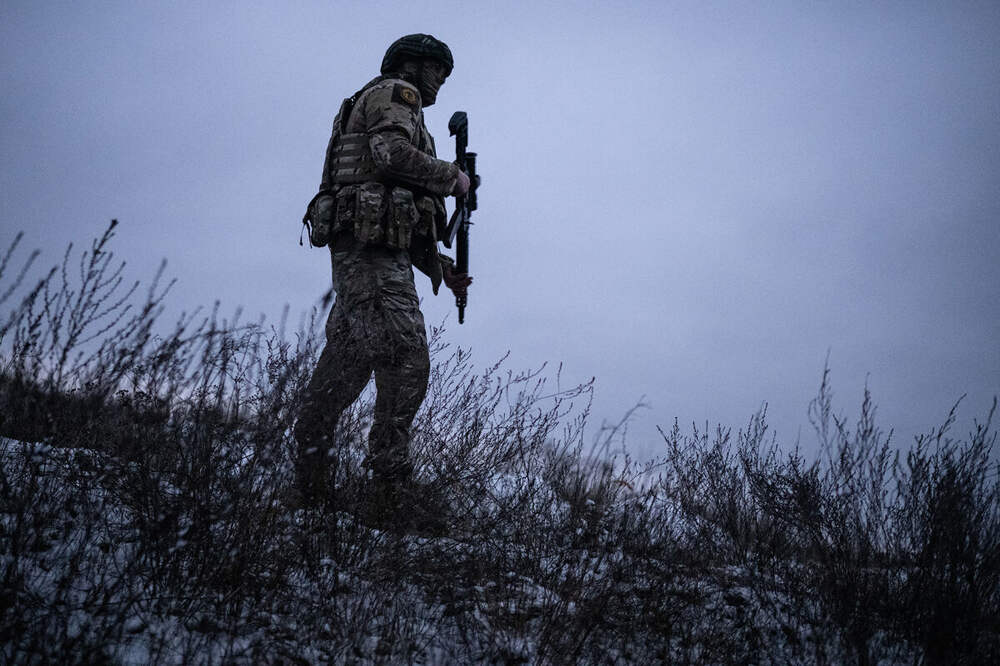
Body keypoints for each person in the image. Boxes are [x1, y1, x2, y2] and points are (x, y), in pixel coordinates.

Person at [294, 34, 472, 518]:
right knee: (406, 357)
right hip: (369, 258)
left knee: (346, 365)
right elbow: (390, 154)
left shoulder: (393, 103)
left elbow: (396, 211)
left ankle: (311, 494)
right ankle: (390, 491)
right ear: (411, 64)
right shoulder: (397, 94)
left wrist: (442, 268)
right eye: (437, 69)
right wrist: (452, 177)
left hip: (370, 256)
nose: (440, 80)